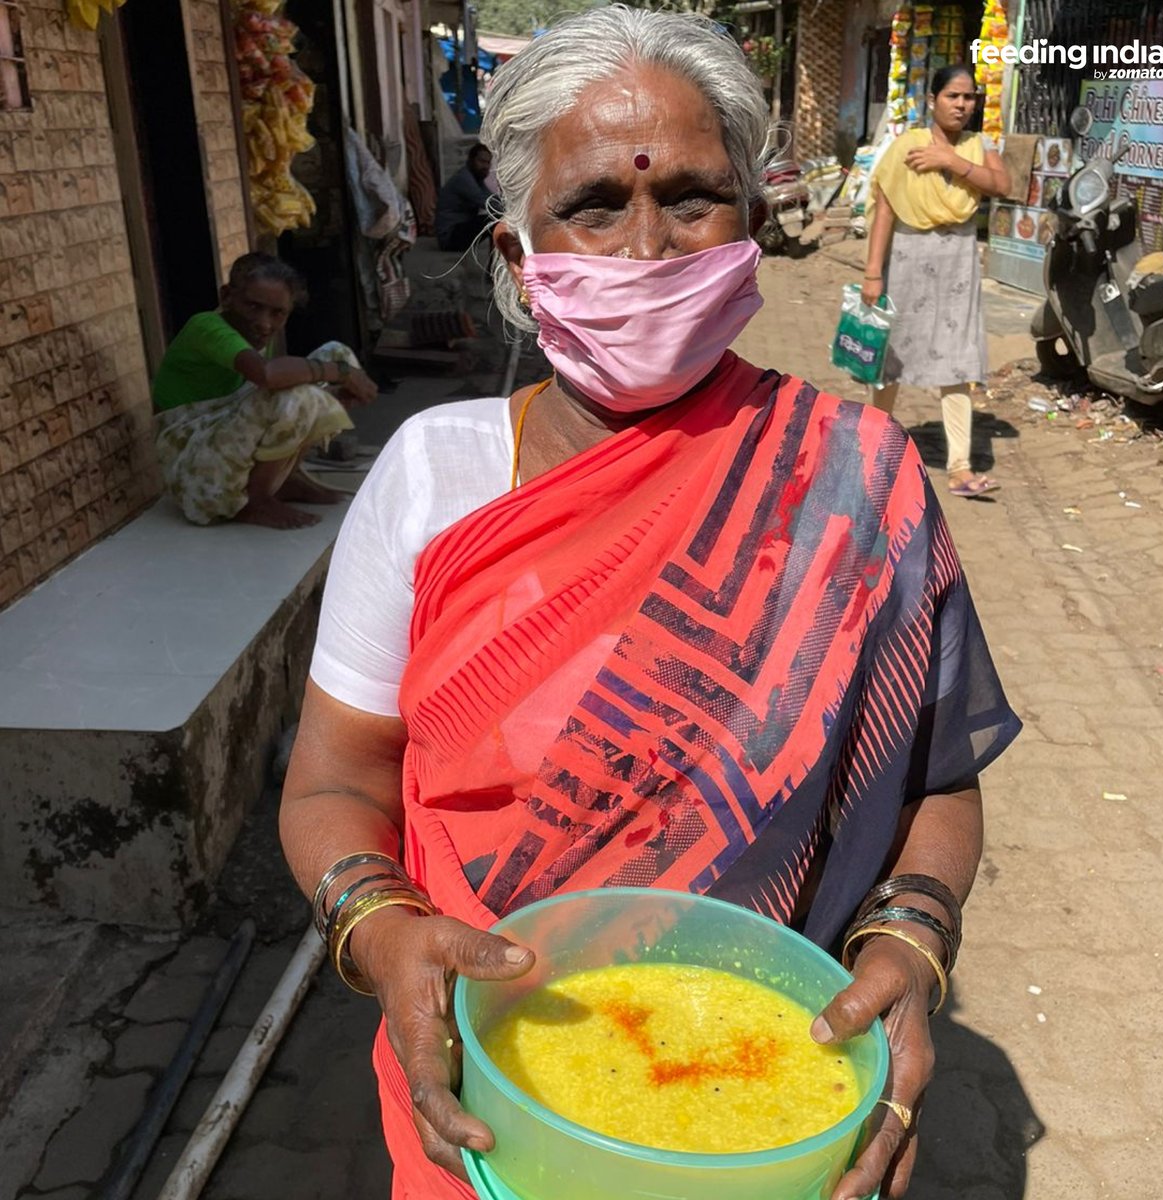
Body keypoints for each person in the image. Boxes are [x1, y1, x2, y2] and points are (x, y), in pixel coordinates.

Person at [279, 10, 1020, 1200]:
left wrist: (911, 946)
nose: (645, 250)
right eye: (592, 206)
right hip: (488, 1091)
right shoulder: (430, 476)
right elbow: (332, 780)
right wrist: (379, 932)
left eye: (689, 199)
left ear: (753, 230)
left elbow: (936, 777)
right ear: (520, 258)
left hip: (765, 1087)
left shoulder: (856, 478)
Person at [863, 65, 1012, 499]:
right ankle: (880, 443)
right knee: (892, 356)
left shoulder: (977, 146)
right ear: (932, 100)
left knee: (958, 357)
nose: (962, 105)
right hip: (909, 257)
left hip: (959, 262)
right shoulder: (907, 146)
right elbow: (886, 209)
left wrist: (951, 160)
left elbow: (1003, 185)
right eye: (953, 96)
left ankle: (960, 468)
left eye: (969, 98)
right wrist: (873, 273)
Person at [152, 252, 378, 529]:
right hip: (194, 469)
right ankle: (256, 501)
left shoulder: (254, 334)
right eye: (253, 307)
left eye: (277, 313)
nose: (264, 322)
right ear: (226, 297)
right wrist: (341, 374)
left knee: (335, 354)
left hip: (219, 445)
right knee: (299, 396)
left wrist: (333, 396)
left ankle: (285, 480)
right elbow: (267, 375)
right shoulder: (206, 327)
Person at [435, 143, 497, 251]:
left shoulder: (476, 179)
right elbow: (486, 203)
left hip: (459, 230)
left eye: (488, 163)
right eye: (481, 161)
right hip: (450, 237)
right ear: (471, 160)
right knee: (493, 219)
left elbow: (491, 199)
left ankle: (496, 258)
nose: (485, 166)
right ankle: (494, 262)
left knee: (496, 217)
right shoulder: (464, 179)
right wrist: (512, 213)